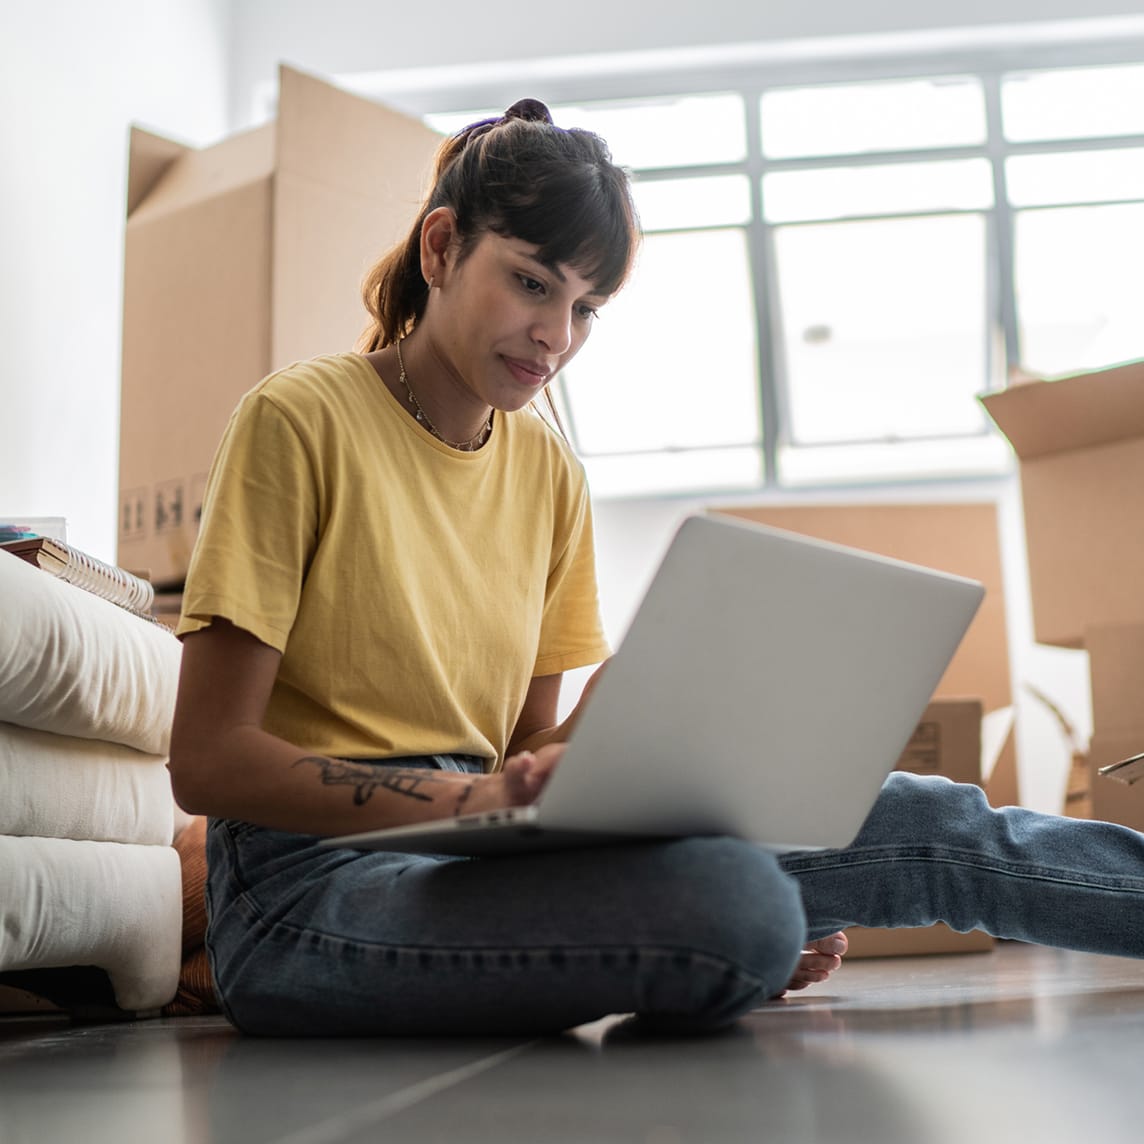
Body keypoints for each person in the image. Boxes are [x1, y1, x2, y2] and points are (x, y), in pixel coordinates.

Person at [169, 99, 1144, 1038]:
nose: (557, 337)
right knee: (737, 905)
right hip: (305, 885)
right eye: (532, 283)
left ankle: (704, 932)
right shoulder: (298, 420)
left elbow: (522, 750)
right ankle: (711, 933)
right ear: (440, 249)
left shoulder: (545, 470)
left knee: (924, 821)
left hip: (478, 849)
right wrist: (478, 800)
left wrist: (611, 745)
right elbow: (207, 759)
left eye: (586, 307)